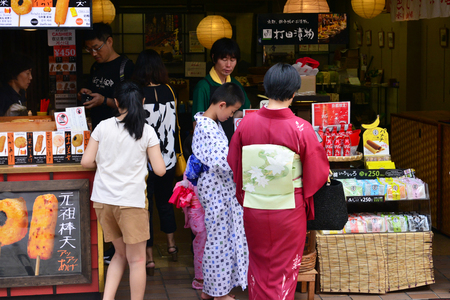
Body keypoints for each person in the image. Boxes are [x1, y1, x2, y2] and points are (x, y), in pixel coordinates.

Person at [227, 63, 330, 300]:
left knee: (259, 265)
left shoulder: (246, 124)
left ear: (266, 88)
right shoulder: (301, 128)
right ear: (294, 92)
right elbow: (318, 172)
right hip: (288, 210)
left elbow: (235, 164)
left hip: (254, 206)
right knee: (284, 269)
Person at [81, 81, 166, 300]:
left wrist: (107, 163)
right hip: (131, 203)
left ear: (116, 103)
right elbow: (160, 170)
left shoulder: (103, 126)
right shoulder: (146, 131)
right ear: (143, 102)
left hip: (103, 201)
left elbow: (86, 161)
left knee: (119, 254)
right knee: (137, 260)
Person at [191, 82, 248, 300]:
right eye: (232, 111)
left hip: (215, 189)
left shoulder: (206, 123)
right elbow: (224, 162)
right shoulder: (207, 127)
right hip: (217, 191)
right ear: (222, 105)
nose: (231, 116)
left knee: (218, 239)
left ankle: (210, 289)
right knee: (219, 242)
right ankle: (219, 293)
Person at [132, 49, 178, 274]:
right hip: (167, 159)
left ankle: (149, 258)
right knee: (165, 203)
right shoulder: (169, 91)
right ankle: (171, 246)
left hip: (144, 162)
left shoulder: (138, 94)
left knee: (146, 207)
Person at [191, 37, 251, 143]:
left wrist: (235, 115)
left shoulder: (235, 84)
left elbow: (247, 108)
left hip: (232, 142)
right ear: (214, 58)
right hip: (211, 146)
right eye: (224, 60)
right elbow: (197, 124)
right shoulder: (203, 87)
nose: (228, 65)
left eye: (232, 60)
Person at [78, 22, 134, 131]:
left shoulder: (126, 66)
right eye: (89, 49)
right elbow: (94, 92)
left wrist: (104, 100)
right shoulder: (95, 66)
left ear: (109, 41)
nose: (93, 54)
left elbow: (132, 104)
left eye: (96, 48)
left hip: (120, 131)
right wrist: (86, 94)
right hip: (98, 129)